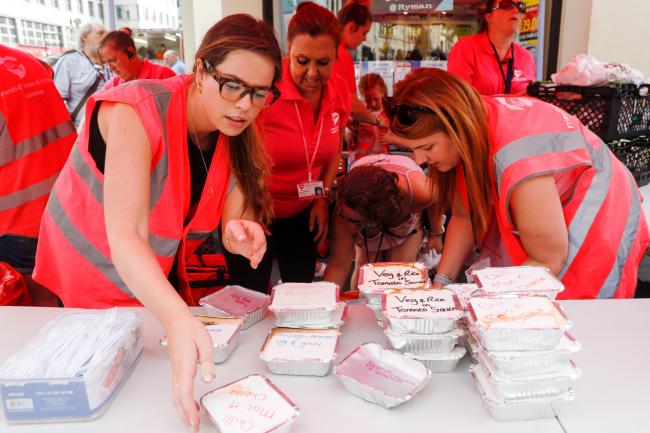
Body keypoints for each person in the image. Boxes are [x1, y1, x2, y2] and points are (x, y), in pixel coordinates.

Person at [32, 15, 282, 431]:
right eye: (233, 85)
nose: (244, 104)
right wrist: (178, 318)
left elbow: (233, 214)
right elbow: (126, 238)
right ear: (201, 69)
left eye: (259, 93)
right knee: (98, 409)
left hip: (150, 289)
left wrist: (242, 232)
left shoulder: (238, 127)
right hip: (86, 290)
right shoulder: (135, 108)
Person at [390, 67, 649, 299]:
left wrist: (487, 305)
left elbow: (547, 259)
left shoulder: (514, 156)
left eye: (427, 147)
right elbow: (463, 215)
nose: (421, 160)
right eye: (413, 150)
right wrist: (440, 285)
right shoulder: (472, 128)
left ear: (456, 126)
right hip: (554, 223)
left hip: (599, 220)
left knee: (575, 315)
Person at [223, 2, 351, 292]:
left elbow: (333, 149)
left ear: (336, 56)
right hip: (254, 208)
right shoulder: (266, 89)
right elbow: (234, 151)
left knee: (301, 293)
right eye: (302, 60)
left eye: (323, 62)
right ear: (288, 51)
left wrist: (321, 197)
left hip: (303, 211)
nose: (312, 73)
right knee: (250, 294)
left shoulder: (340, 90)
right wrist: (249, 201)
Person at [0, 45, 76, 295]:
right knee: (57, 308)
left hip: (15, 225)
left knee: (26, 317)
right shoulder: (27, 61)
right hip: (67, 207)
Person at [324, 154, 443, 290]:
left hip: (401, 209)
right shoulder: (346, 207)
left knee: (400, 273)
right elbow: (338, 265)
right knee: (365, 271)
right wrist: (325, 302)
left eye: (357, 222)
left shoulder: (420, 191)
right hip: (368, 205)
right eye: (350, 220)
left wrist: (436, 233)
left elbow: (436, 199)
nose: (351, 228)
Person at [447, 0, 536, 95]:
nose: (515, 10)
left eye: (520, 6)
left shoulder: (526, 57)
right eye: (506, 4)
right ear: (489, 17)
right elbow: (459, 99)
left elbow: (530, 102)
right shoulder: (466, 48)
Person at [334, 1, 387, 128]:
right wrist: (378, 121)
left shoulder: (329, 50)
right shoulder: (340, 55)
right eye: (364, 33)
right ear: (351, 27)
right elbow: (351, 105)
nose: (364, 39)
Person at [54, 23, 110, 128]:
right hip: (80, 131)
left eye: (107, 34)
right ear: (85, 37)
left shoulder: (111, 63)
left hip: (109, 129)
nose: (105, 37)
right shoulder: (69, 62)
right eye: (100, 33)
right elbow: (57, 101)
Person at [99, 30, 175, 90]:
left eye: (113, 61)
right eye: (107, 63)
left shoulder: (163, 76)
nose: (111, 69)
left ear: (131, 53)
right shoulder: (112, 86)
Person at [347, 73, 391, 161]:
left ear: (383, 93)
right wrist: (351, 134)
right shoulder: (360, 113)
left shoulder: (390, 111)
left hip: (384, 159)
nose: (372, 103)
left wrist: (392, 138)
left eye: (376, 99)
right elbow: (349, 129)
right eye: (368, 100)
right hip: (362, 160)